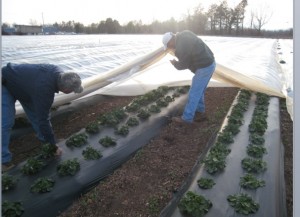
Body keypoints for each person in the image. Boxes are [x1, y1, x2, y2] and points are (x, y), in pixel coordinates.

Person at [2, 63, 84, 172]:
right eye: (72, 91)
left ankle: (47, 144)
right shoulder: (44, 90)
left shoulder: (59, 74)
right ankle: (3, 161)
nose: (72, 92)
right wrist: (53, 145)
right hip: (5, 82)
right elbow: (43, 120)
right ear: (65, 89)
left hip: (25, 88)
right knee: (5, 123)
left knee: (36, 116)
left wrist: (50, 143)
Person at [162, 30, 216, 124]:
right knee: (199, 90)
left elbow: (183, 65)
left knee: (194, 93)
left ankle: (187, 118)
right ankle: (200, 110)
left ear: (171, 41)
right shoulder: (184, 33)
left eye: (169, 46)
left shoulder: (181, 47)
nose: (170, 48)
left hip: (204, 67)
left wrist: (175, 63)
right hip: (210, 63)